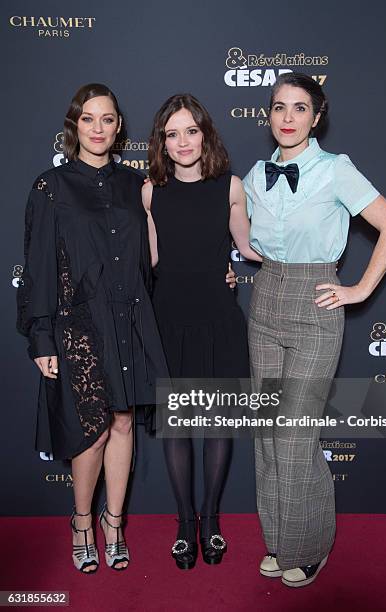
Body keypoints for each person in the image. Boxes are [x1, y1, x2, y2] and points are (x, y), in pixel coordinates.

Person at [243, 72, 386, 587]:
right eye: (278, 107)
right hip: (265, 297)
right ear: (268, 115)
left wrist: (358, 289)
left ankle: (310, 545)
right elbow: (244, 236)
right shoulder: (256, 173)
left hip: (316, 303)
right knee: (268, 433)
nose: (287, 118)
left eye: (299, 108)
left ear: (316, 116)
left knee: (295, 435)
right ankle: (282, 540)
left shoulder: (336, 170)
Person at [17, 83, 170, 573]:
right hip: (78, 321)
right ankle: (82, 520)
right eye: (88, 119)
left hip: (130, 316)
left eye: (107, 119)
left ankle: (114, 522)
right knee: (92, 431)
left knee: (124, 421)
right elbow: (37, 266)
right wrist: (41, 334)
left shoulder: (135, 184)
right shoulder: (51, 187)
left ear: (118, 126)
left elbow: (157, 253)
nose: (98, 128)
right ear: (74, 125)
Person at [142, 93, 261, 570]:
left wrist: (312, 247)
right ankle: (184, 523)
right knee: (176, 431)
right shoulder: (150, 191)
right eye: (172, 134)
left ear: (205, 134)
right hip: (168, 318)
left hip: (217, 319)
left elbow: (249, 247)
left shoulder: (230, 186)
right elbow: (148, 260)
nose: (183, 141)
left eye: (191, 130)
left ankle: (210, 520)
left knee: (215, 427)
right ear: (162, 143)